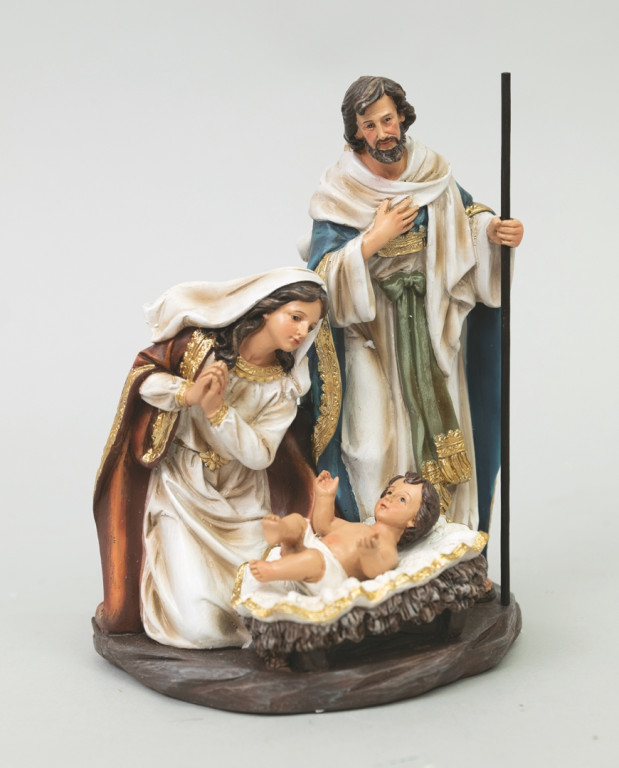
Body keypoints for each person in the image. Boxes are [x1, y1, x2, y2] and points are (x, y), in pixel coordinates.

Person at [303, 75, 524, 534]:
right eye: (369, 125)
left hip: (431, 321)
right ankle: (374, 537)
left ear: (402, 116)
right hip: (370, 332)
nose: (382, 133)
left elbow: (466, 217)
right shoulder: (341, 189)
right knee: (369, 444)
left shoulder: (430, 172)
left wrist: (493, 233)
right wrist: (374, 240)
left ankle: (439, 530)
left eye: (387, 120)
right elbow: (320, 278)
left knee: (444, 421)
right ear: (356, 132)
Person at [93, 267, 327, 649]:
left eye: (311, 325)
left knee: (272, 602)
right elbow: (144, 381)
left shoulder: (283, 387)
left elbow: (260, 455)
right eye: (296, 317)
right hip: (183, 490)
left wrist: (218, 411)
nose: (302, 331)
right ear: (267, 309)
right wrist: (188, 394)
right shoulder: (202, 347)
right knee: (203, 629)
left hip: (243, 501)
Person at [249, 470, 440, 590]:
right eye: (390, 491)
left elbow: (376, 572)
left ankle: (273, 570)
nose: (390, 497)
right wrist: (325, 496)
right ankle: (281, 531)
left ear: (414, 520)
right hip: (305, 552)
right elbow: (324, 525)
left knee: (313, 559)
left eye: (402, 499)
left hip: (324, 575)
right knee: (299, 522)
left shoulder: (388, 549)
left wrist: (370, 555)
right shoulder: (360, 527)